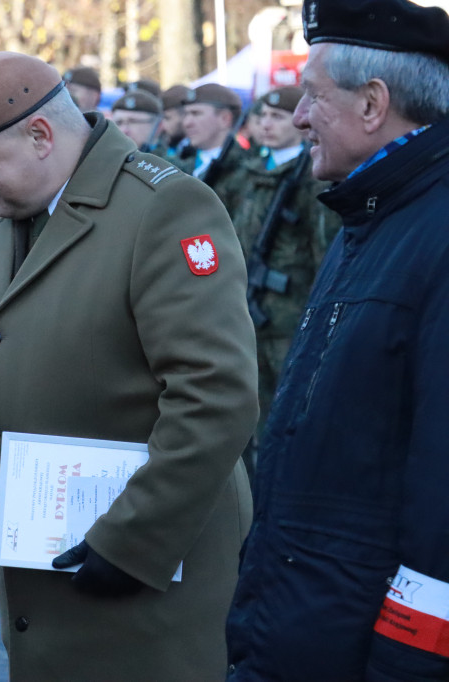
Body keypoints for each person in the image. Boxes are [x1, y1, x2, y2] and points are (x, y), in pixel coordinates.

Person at [0, 51, 258, 679]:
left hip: (148, 566)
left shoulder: (163, 208)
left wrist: (132, 540)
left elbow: (215, 395)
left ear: (41, 136)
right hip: (40, 560)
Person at [226, 1, 449, 679]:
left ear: (374, 104)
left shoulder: (433, 230)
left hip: (361, 646)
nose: (296, 118)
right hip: (309, 625)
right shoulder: (373, 215)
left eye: (312, 96)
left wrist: (409, 658)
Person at [227, 85, 339, 443]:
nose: (266, 124)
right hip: (247, 313)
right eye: (261, 116)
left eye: (277, 116)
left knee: (290, 411)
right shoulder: (247, 172)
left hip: (291, 317)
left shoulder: (312, 176)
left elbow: (324, 250)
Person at [179, 83, 249, 191]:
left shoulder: (246, 168)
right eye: (186, 114)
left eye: (196, 113)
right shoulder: (179, 163)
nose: (186, 123)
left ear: (225, 119)